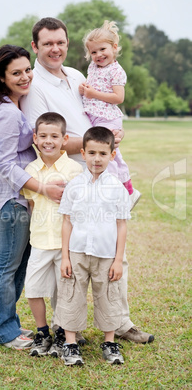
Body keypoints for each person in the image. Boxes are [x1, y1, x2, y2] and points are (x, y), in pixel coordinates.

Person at [21, 17, 155, 344]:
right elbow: (46, 138)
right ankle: (71, 330)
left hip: (101, 171)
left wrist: (112, 135)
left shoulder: (79, 75)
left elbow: (101, 114)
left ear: (69, 45)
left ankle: (121, 323)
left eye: (61, 42)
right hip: (70, 177)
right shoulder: (34, 86)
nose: (56, 49)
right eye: (48, 43)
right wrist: (96, 142)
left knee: (112, 250)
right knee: (72, 254)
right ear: (36, 47)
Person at [0, 45, 64, 350]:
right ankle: (2, 331)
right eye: (16, 73)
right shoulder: (7, 114)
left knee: (18, 263)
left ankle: (4, 323)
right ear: (2, 77)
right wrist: (43, 188)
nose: (26, 76)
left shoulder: (12, 107)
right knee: (7, 265)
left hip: (19, 197)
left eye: (28, 70)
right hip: (11, 198)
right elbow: (5, 164)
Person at [55, 126, 131, 365]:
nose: (97, 159)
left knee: (109, 296)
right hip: (77, 253)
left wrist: (118, 260)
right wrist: (65, 257)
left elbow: (121, 225)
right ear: (82, 152)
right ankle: (70, 344)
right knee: (71, 296)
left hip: (106, 254)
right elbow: (67, 222)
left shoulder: (117, 189)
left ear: (112, 155)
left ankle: (109, 342)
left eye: (103, 153)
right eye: (92, 153)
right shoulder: (74, 186)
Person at [22, 112, 83, 357]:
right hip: (39, 241)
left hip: (65, 244)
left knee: (64, 291)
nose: (49, 141)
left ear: (64, 139)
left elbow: (78, 209)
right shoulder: (31, 170)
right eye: (43, 136)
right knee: (33, 289)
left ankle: (61, 333)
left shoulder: (74, 169)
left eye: (54, 136)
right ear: (35, 138)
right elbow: (32, 205)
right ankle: (42, 332)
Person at [79, 20, 141, 209]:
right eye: (93, 52)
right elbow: (92, 87)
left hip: (108, 117)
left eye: (102, 49)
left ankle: (127, 191)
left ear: (114, 48)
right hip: (95, 117)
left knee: (110, 155)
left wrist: (92, 94)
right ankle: (112, 190)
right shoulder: (93, 68)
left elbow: (118, 97)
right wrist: (84, 89)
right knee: (103, 153)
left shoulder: (116, 71)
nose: (98, 55)